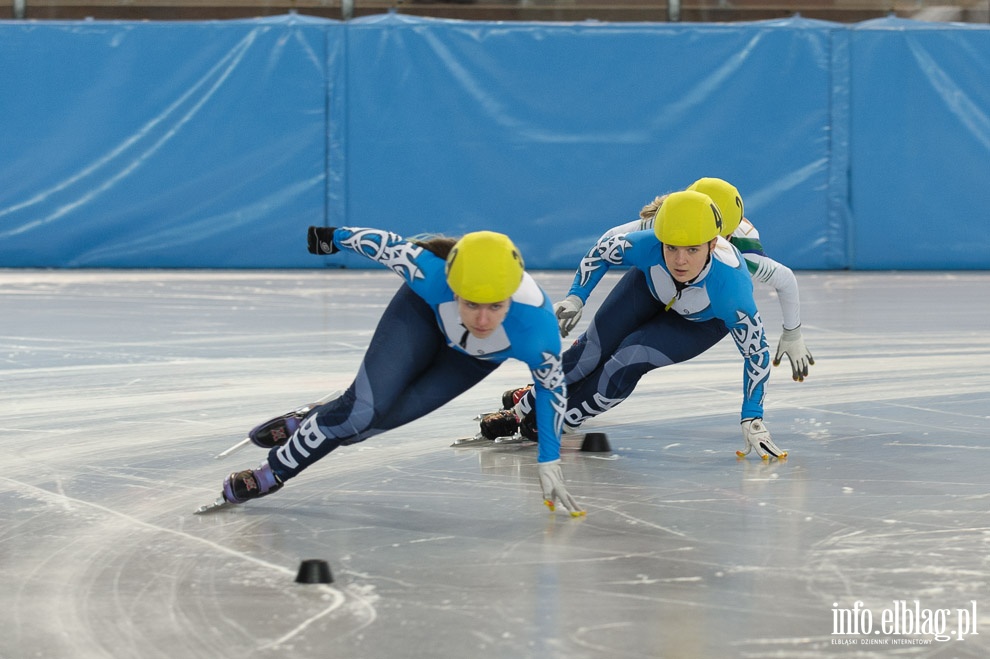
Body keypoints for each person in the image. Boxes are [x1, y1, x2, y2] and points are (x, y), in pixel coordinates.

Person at [214, 226, 584, 516]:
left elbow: (551, 391)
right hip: (422, 315)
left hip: (472, 360)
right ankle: (272, 473)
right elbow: (386, 245)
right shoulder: (431, 276)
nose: (483, 319)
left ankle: (307, 421)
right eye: (471, 304)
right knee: (358, 413)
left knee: (361, 427)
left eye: (495, 306)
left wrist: (549, 458)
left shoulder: (537, 331)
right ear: (453, 287)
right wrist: (330, 238)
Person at [484, 188, 787, 460]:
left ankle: (563, 419)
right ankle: (519, 409)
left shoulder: (731, 289)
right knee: (590, 352)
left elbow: (756, 353)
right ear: (660, 239)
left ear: (712, 243)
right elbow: (600, 252)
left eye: (692, 250)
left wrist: (752, 416)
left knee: (628, 358)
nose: (680, 261)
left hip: (701, 321)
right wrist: (577, 297)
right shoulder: (647, 243)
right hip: (650, 289)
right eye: (671, 247)